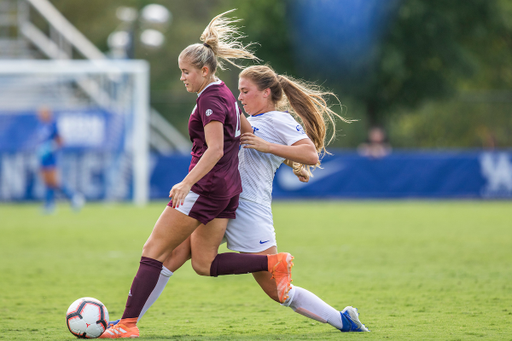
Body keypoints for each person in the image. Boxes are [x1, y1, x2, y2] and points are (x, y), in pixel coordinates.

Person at [108, 65, 369, 334]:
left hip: (249, 210)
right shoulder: (240, 114)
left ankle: (343, 320)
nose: (241, 97)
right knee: (171, 256)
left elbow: (310, 154)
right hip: (219, 200)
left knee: (279, 292)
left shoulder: (278, 119)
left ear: (266, 93)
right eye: (239, 91)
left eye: (246, 92)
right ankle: (128, 322)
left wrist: (273, 149)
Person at [100, 11, 294, 339]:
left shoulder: (210, 100)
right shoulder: (224, 95)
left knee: (153, 250)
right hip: (226, 189)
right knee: (202, 263)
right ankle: (272, 263)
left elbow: (216, 149)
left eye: (186, 72)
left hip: (205, 188)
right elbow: (243, 130)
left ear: (204, 71)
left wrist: (186, 182)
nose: (182, 78)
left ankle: (127, 325)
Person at [36, 106, 84, 213]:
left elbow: (61, 140)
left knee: (55, 181)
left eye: (42, 112)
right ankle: (49, 204)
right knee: (48, 181)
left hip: (52, 157)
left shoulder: (53, 124)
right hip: (44, 157)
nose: (39, 115)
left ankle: (74, 197)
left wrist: (51, 147)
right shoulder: (41, 125)